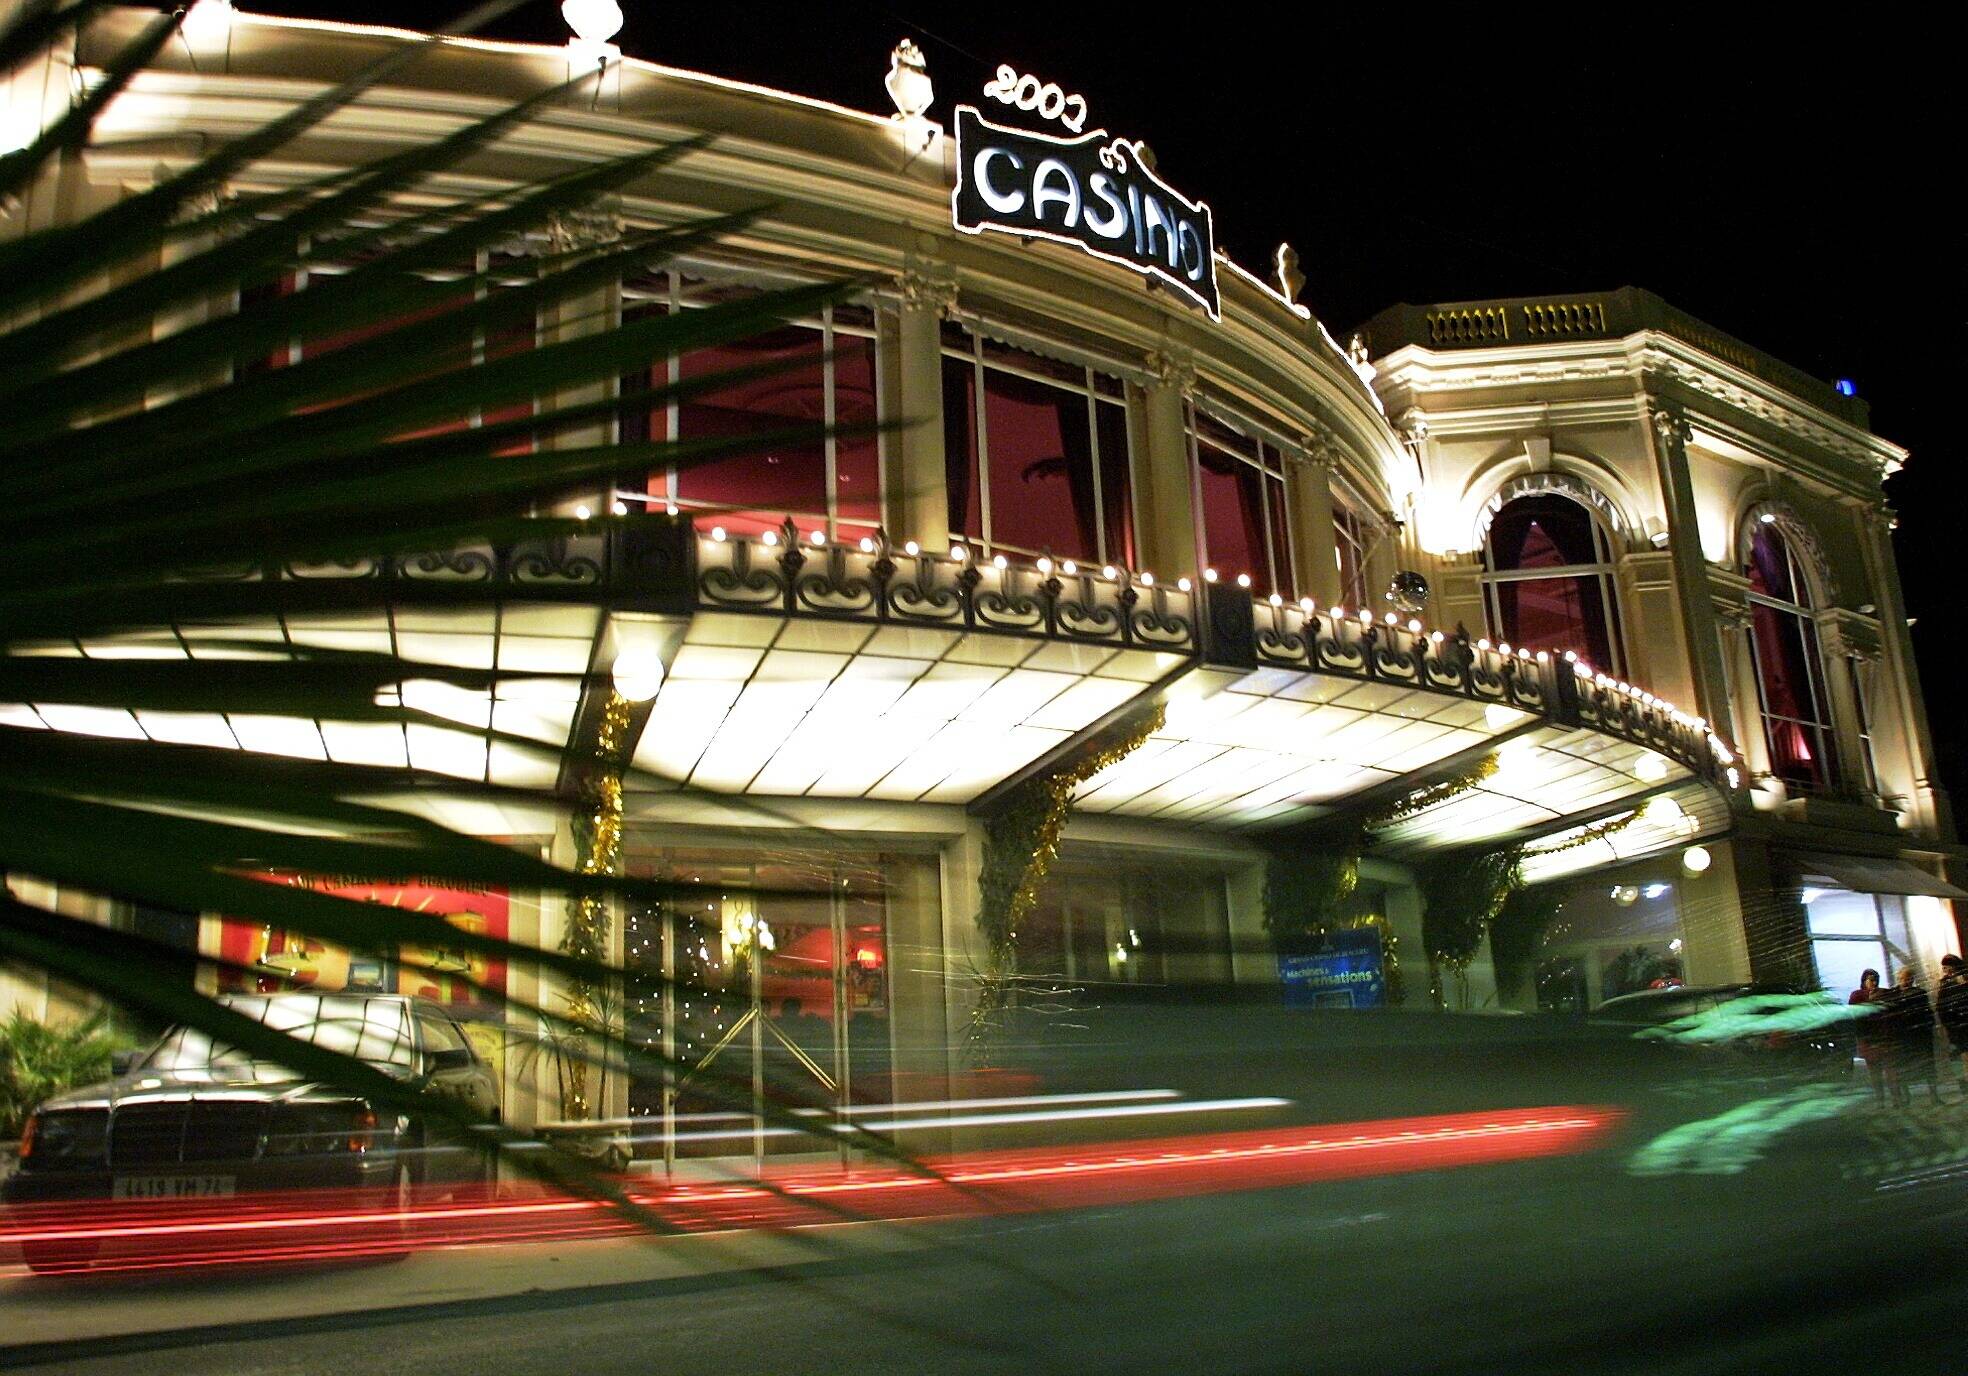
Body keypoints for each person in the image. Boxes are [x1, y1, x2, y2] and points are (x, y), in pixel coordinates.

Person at [1879, 966, 1941, 1107]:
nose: (1905, 981)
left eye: (1907, 978)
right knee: (1903, 1067)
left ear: (1912, 979)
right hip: (1903, 1036)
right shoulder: (1893, 995)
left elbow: (1926, 1013)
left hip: (1919, 1035)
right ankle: (1906, 1097)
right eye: (1902, 978)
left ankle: (1933, 1096)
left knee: (1927, 1067)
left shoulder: (1919, 993)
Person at [1937, 954, 1968, 1098]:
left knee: (1964, 1056)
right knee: (1962, 1056)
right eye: (1944, 968)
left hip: (1962, 1024)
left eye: (1947, 967)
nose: (1946, 970)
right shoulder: (1945, 983)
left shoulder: (1964, 979)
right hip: (1956, 1027)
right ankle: (1964, 1086)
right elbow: (1941, 1006)